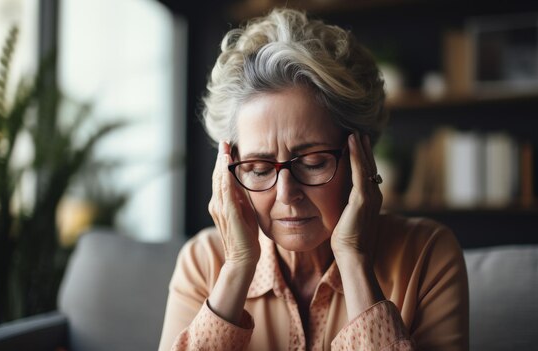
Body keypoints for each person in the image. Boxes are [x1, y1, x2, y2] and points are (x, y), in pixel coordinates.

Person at [158, 8, 468, 351]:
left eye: (313, 162)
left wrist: (352, 258)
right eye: (259, 168)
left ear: (361, 158)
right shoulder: (203, 262)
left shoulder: (426, 255)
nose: (286, 194)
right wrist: (235, 270)